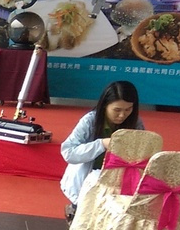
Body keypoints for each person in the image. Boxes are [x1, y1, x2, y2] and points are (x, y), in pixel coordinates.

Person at [59, 80, 143, 222]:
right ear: (105, 105)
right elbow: (68, 152)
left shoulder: (135, 123)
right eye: (117, 110)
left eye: (128, 109)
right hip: (88, 178)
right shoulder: (90, 121)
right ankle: (74, 209)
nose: (122, 115)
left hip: (117, 180)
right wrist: (101, 144)